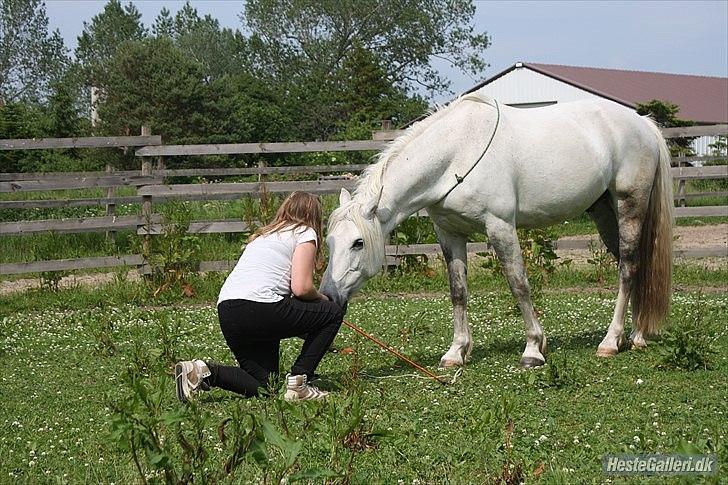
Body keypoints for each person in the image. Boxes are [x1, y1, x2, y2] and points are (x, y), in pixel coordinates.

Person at [174, 192, 343, 402]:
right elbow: (301, 288)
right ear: (315, 216)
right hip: (261, 307)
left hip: (228, 311)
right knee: (332, 313)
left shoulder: (263, 236)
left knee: (266, 386)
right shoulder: (304, 231)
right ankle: (300, 382)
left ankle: (200, 371)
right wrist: (323, 300)